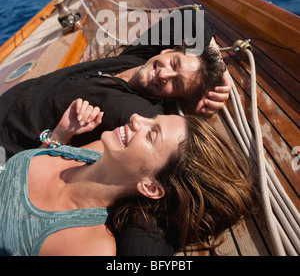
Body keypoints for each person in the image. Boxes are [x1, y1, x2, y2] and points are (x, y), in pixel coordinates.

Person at [0, 99, 254, 256]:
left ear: (151, 188)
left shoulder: (90, 246)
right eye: (151, 119)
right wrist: (61, 135)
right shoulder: (97, 151)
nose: (136, 119)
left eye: (150, 135)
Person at [0, 7, 231, 160]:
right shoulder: (140, 58)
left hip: (8, 147)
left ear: (171, 98)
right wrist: (221, 72)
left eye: (177, 84)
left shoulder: (136, 112)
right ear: (168, 50)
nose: (165, 74)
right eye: (173, 62)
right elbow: (188, 18)